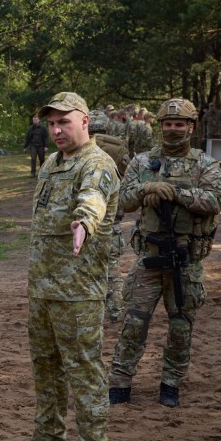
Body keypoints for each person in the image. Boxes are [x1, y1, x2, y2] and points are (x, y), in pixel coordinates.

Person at [8, 93, 118, 441]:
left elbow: (93, 200)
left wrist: (84, 222)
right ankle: (50, 435)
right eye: (52, 123)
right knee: (45, 365)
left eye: (64, 122)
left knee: (84, 370)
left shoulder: (97, 163)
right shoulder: (52, 163)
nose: (56, 130)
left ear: (84, 121)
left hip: (77, 290)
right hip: (42, 287)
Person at [108, 98, 221, 408]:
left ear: (191, 127)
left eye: (179, 124)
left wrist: (179, 194)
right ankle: (120, 382)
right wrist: (147, 190)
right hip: (149, 257)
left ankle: (170, 383)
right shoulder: (142, 162)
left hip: (185, 260)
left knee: (180, 326)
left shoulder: (205, 164)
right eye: (168, 124)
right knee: (134, 322)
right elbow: (122, 200)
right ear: (160, 127)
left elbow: (214, 200)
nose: (173, 130)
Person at [88, 109, 131, 324]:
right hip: (112, 215)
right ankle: (116, 309)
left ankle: (88, 311)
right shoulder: (119, 147)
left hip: (84, 217)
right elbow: (128, 177)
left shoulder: (79, 148)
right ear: (106, 125)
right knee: (111, 268)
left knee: (82, 268)